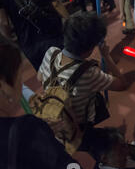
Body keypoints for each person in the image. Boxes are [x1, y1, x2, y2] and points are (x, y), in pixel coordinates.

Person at [0, 35, 98, 169]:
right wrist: (38, 138)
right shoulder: (28, 131)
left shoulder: (26, 134)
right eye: (19, 78)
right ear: (3, 87)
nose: (21, 84)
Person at [37, 12, 128, 159]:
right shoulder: (88, 73)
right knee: (109, 145)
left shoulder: (51, 53)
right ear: (90, 48)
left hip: (56, 122)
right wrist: (106, 56)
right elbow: (122, 84)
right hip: (80, 128)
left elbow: (39, 77)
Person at [0, 0, 66, 71]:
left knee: (46, 75)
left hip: (28, 41)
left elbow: (3, 23)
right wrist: (70, 21)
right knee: (66, 68)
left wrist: (12, 41)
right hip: (52, 32)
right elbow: (56, 4)